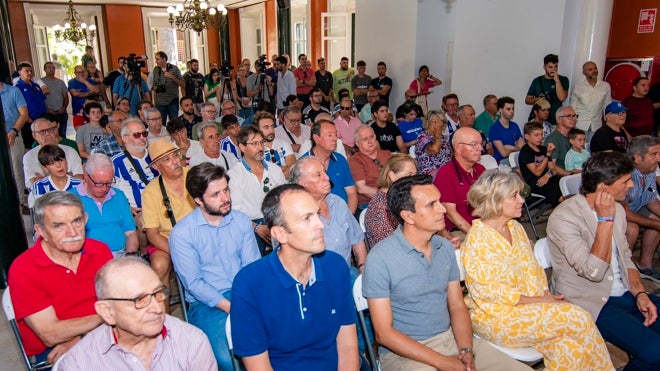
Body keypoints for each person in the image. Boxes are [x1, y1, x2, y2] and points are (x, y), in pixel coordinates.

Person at [362, 175, 532, 371]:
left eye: (440, 201)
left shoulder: (444, 247)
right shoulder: (380, 258)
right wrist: (442, 361)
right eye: (431, 205)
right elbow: (384, 333)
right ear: (408, 216)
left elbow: (457, 306)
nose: (443, 209)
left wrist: (467, 349)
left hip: (451, 338)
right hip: (406, 353)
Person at [462, 170, 614, 371]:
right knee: (579, 317)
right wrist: (543, 302)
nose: (521, 201)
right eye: (514, 196)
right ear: (495, 201)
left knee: (567, 348)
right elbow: (492, 295)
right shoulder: (478, 240)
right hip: (495, 317)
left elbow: (532, 270)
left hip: (529, 307)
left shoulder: (514, 227)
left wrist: (545, 295)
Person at [547, 152, 660, 371]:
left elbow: (626, 259)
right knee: (655, 352)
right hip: (590, 300)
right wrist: (604, 221)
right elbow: (594, 273)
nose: (630, 186)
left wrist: (641, 293)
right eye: (625, 181)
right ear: (603, 188)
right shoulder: (565, 218)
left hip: (625, 293)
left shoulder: (617, 208)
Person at [231, 184, 359, 370]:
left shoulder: (335, 266)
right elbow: (259, 366)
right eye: (307, 218)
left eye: (317, 214)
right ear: (280, 233)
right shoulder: (249, 284)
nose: (320, 224)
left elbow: (347, 346)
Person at [169, 163, 260, 369]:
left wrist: (248, 302)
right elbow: (194, 284)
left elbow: (251, 268)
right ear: (198, 200)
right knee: (228, 360)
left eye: (226, 190)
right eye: (216, 194)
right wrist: (232, 307)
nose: (225, 198)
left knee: (283, 337)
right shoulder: (182, 234)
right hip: (208, 304)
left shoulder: (241, 221)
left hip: (245, 294)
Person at [8, 191, 112, 365]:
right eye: (58, 226)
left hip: (105, 334)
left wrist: (83, 337)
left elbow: (122, 302)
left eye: (76, 221)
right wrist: (112, 316)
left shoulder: (99, 251)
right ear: (41, 231)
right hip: (53, 350)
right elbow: (51, 334)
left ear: (85, 219)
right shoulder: (24, 269)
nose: (72, 232)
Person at [60, 257, 217, 370]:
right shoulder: (78, 363)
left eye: (157, 293)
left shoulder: (192, 341)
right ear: (107, 311)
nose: (157, 307)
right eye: (139, 299)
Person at [290, 156, 367, 269]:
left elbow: (357, 239)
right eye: (318, 175)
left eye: (324, 172)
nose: (327, 177)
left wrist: (362, 267)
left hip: (347, 272)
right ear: (303, 184)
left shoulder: (338, 202)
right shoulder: (295, 214)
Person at [142, 139, 196, 290]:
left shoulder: (194, 174)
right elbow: (152, 234)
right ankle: (163, 312)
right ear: (156, 167)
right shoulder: (150, 192)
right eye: (167, 159)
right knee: (159, 266)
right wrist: (178, 252)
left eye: (175, 155)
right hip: (169, 240)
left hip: (201, 234)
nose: (175, 161)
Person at [227, 126, 287, 255]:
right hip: (249, 225)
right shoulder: (234, 174)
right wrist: (257, 227)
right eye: (255, 143)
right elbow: (233, 212)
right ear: (242, 147)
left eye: (261, 142)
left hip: (274, 221)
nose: (260, 148)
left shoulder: (274, 170)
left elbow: (285, 201)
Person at [71, 153, 137, 257]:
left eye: (109, 183)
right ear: (86, 176)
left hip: (119, 256)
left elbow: (130, 232)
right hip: (86, 257)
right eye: (99, 183)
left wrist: (130, 255)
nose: (104, 188)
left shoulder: (118, 195)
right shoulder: (71, 199)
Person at [435, 127, 486, 235]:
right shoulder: (446, 173)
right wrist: (478, 236)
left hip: (483, 225)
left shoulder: (481, 169)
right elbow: (451, 213)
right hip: (460, 230)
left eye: (481, 143)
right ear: (458, 148)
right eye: (474, 144)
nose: (480, 148)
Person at [300, 119, 359, 213]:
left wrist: (349, 216)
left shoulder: (340, 160)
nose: (335, 139)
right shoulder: (304, 164)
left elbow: (351, 193)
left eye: (336, 135)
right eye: (329, 135)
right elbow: (300, 199)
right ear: (316, 138)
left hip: (343, 215)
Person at [623, 135, 660, 280]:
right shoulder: (623, 173)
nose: (658, 158)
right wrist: (657, 224)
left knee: (657, 216)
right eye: (654, 154)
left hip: (635, 208)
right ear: (637, 157)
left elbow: (651, 201)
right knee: (632, 228)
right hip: (612, 215)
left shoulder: (649, 171)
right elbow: (624, 214)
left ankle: (645, 265)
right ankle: (624, 270)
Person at [364, 154, 416, 246]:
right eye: (409, 175)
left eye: (415, 175)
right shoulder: (380, 207)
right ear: (392, 175)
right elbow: (390, 245)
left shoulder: (401, 197)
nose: (414, 180)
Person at [23, 117, 83, 188]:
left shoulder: (70, 151)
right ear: (34, 136)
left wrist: (44, 179)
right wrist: (67, 175)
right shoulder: (29, 156)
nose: (48, 133)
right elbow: (33, 182)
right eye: (42, 131)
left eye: (50, 130)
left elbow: (79, 177)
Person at [111, 119, 158, 209]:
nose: (142, 138)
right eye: (136, 135)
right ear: (125, 138)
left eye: (144, 134)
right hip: (138, 212)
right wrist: (125, 208)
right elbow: (108, 191)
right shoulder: (116, 162)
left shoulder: (156, 154)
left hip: (162, 207)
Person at [519, 121, 562, 207]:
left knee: (565, 184)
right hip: (536, 183)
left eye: (541, 134)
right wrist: (547, 155)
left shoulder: (542, 149)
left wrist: (548, 175)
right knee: (559, 194)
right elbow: (537, 172)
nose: (540, 137)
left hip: (548, 178)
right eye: (536, 135)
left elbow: (553, 169)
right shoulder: (525, 152)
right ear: (527, 136)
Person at [1, 79, 30, 209]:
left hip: (12, 135)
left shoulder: (13, 91)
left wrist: (13, 131)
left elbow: (23, 114)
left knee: (16, 170)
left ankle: (21, 202)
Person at [349, 125, 393, 208]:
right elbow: (361, 189)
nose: (370, 141)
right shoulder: (355, 160)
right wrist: (388, 197)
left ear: (375, 137)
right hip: (369, 204)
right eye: (365, 139)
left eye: (371, 137)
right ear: (357, 143)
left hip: (392, 198)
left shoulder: (387, 154)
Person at [570, 61, 612, 140]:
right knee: (580, 150)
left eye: (595, 68)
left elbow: (607, 106)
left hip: (596, 125)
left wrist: (608, 123)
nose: (594, 71)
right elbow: (572, 108)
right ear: (584, 72)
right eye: (590, 69)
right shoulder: (578, 87)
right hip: (580, 125)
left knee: (593, 149)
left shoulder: (605, 86)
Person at [525, 53, 569, 126]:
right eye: (550, 67)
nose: (553, 70)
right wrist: (537, 100)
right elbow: (527, 100)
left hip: (555, 120)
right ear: (544, 67)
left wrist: (557, 81)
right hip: (539, 121)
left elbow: (562, 98)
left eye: (556, 67)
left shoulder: (563, 80)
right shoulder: (537, 81)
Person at [15, 62, 48, 148]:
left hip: (42, 117)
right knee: (30, 145)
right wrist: (27, 118)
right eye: (26, 71)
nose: (29, 73)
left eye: (30, 71)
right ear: (19, 72)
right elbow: (18, 106)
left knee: (43, 142)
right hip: (29, 120)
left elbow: (42, 99)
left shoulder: (35, 85)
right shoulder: (18, 88)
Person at [254, 111, 295, 176]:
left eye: (272, 126)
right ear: (257, 129)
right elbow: (261, 174)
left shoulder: (284, 144)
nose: (271, 130)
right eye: (266, 127)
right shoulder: (254, 149)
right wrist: (283, 168)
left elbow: (293, 169)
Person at [415, 110, 452, 177]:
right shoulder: (422, 137)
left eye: (441, 122)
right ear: (428, 122)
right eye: (435, 122)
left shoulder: (442, 138)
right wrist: (438, 132)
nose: (438, 124)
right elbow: (434, 150)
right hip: (430, 175)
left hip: (446, 172)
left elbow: (449, 155)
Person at [544, 106, 579, 175]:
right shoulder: (553, 139)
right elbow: (551, 166)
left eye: (574, 116)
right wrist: (570, 175)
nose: (573, 119)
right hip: (563, 177)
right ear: (559, 119)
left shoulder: (576, 135)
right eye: (569, 116)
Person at [152, 51, 185, 126]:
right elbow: (154, 87)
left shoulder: (174, 69)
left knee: (174, 124)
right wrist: (154, 102)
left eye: (158, 59)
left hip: (172, 101)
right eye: (156, 59)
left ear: (164, 59)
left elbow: (183, 84)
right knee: (160, 123)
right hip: (160, 102)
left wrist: (172, 77)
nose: (156, 61)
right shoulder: (156, 70)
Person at [489, 96, 524, 163]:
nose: (512, 111)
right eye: (508, 109)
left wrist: (510, 147)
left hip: (516, 159)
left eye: (513, 109)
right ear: (500, 110)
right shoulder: (494, 128)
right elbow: (504, 153)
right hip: (502, 162)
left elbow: (522, 147)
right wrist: (515, 148)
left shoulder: (514, 125)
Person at [43, 62, 69, 138]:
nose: (51, 69)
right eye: (49, 67)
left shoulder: (60, 82)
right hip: (48, 113)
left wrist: (63, 108)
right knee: (50, 135)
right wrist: (47, 109)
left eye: (53, 68)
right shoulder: (41, 82)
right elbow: (39, 99)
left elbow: (66, 97)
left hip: (61, 113)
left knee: (62, 135)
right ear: (45, 69)